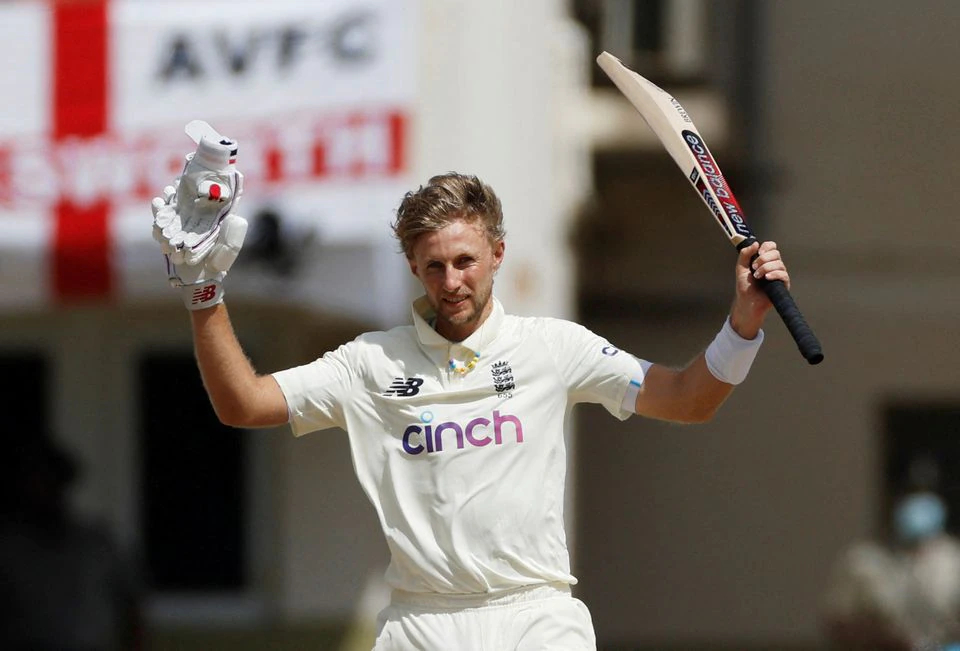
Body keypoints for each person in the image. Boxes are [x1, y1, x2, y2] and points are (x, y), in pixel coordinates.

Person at [151, 131, 791, 649]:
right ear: (413, 267)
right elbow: (243, 404)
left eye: (465, 262)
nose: (451, 281)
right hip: (421, 623)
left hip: (535, 616)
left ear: (498, 255)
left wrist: (742, 324)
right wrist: (204, 296)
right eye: (434, 265)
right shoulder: (371, 362)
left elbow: (687, 399)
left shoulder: (553, 347)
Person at [0, 436, 143, 651]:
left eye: (50, 481)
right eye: (36, 482)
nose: (43, 491)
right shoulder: (9, 549)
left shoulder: (96, 545)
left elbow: (131, 605)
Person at [822, 459, 960, 650]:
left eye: (925, 494)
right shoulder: (863, 561)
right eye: (910, 494)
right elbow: (839, 621)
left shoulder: (953, 559)